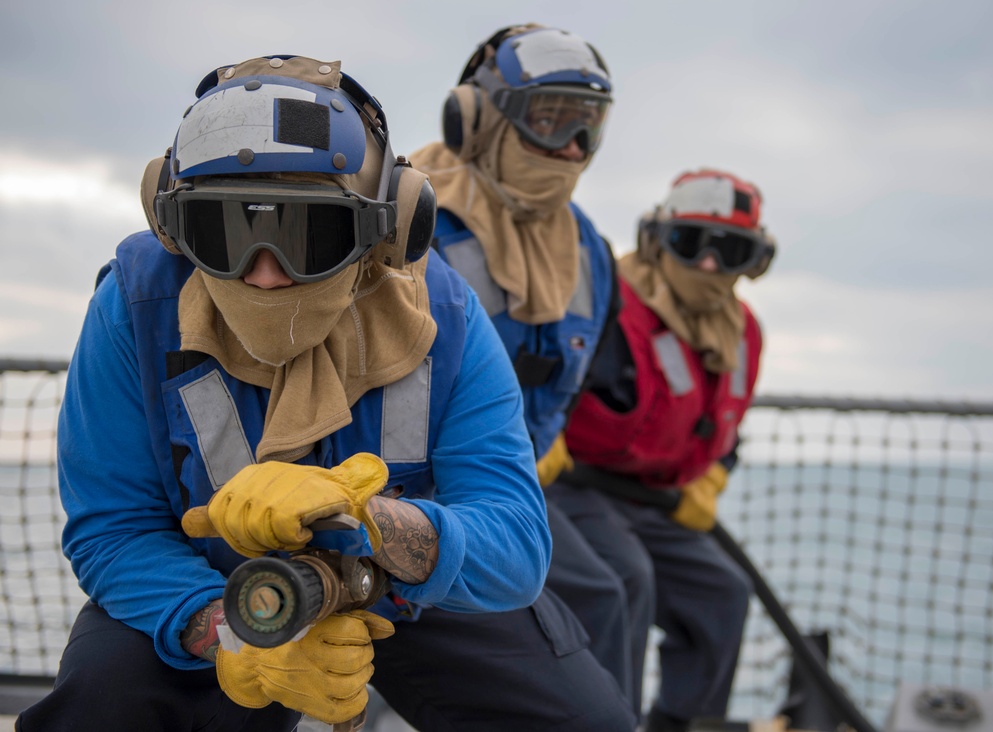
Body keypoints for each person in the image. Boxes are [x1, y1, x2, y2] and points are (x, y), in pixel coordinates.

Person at [16, 55, 631, 732]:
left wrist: (376, 526)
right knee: (102, 709)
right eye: (224, 231)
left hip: (404, 596)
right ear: (174, 227)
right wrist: (231, 635)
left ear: (385, 228)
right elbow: (115, 528)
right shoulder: (136, 302)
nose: (267, 274)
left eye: (308, 232)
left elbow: (515, 540)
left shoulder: (445, 319)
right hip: (213, 584)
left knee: (584, 720)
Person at [408, 24, 653, 720]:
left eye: (588, 125)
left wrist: (532, 455)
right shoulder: (403, 218)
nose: (573, 148)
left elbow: (571, 381)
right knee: (598, 594)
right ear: (477, 121)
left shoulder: (586, 248)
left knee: (626, 579)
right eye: (551, 120)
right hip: (410, 483)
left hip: (512, 477)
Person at [553, 168, 777, 731]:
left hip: (656, 501)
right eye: (690, 242)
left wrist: (712, 478)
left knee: (723, 592)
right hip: (571, 484)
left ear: (754, 263)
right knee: (624, 579)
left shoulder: (741, 336)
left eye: (728, 251)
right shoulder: (607, 307)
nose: (706, 265)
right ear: (656, 239)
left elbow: (720, 428)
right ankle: (610, 722)